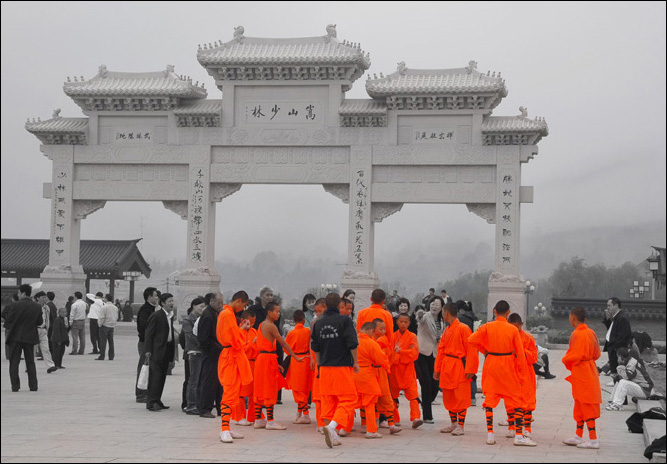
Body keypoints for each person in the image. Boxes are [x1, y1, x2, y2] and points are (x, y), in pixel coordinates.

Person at [466, 300, 533, 446]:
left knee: (490, 399)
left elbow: (471, 340)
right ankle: (519, 435)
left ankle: (490, 434)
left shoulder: (487, 327)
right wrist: (522, 373)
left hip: (492, 363)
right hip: (507, 364)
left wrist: (485, 350)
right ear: (508, 312)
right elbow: (520, 355)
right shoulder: (512, 330)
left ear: (495, 311)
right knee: (516, 399)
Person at [311, 292, 360, 448]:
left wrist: (319, 365)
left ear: (325, 305)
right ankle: (331, 427)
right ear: (340, 305)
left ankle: (332, 435)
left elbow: (315, 347)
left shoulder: (318, 323)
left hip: (324, 367)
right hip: (341, 366)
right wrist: (356, 362)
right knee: (349, 398)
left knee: (328, 401)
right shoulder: (345, 320)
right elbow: (352, 343)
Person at [254, 302, 305, 431]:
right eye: (276, 311)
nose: (278, 314)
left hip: (262, 359)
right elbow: (284, 343)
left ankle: (258, 419)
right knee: (270, 388)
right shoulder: (271, 326)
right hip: (267, 359)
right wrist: (295, 357)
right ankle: (270, 421)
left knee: (260, 388)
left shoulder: (261, 325)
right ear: (269, 312)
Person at [562, 307, 602, 450]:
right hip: (589, 369)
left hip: (582, 371)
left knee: (586, 404)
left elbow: (576, 355)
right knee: (580, 404)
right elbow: (597, 353)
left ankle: (593, 439)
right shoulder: (591, 333)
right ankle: (578, 435)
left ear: (573, 317)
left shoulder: (577, 334)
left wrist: (565, 359)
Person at [217, 291, 253, 443]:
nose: (243, 309)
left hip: (233, 356)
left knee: (233, 394)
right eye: (243, 305)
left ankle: (228, 427)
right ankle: (224, 429)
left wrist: (241, 330)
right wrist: (243, 330)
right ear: (239, 301)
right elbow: (234, 340)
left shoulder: (228, 314)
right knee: (229, 394)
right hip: (230, 357)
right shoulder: (227, 314)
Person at [434, 302, 472, 436]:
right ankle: (453, 423)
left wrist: (470, 369)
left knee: (460, 396)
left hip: (458, 365)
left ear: (446, 313)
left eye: (442, 312)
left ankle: (461, 425)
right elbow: (441, 350)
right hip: (446, 365)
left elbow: (471, 350)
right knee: (449, 395)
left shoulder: (463, 328)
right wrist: (437, 369)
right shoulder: (447, 330)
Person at [5, 284, 44, 391]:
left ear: (23, 293)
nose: (18, 295)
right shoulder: (37, 306)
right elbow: (40, 322)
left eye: (18, 293)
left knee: (14, 362)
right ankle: (33, 386)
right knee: (30, 362)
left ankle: (15, 386)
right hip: (30, 337)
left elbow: (9, 319)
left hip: (15, 337)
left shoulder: (15, 305)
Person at [354, 321, 388, 439]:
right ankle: (371, 430)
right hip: (367, 374)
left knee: (350, 402)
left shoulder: (352, 341)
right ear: (371, 331)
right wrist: (387, 368)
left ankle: (343, 428)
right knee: (370, 402)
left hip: (353, 373)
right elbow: (381, 359)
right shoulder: (371, 343)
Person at [507, 313, 538, 438]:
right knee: (510, 401)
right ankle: (511, 426)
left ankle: (528, 429)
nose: (515, 329)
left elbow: (534, 357)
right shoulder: (507, 337)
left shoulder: (528, 338)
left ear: (521, 324)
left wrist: (521, 352)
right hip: (511, 372)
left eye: (517, 327)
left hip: (526, 372)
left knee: (527, 400)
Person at [415, 296, 445, 424]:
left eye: (437, 304)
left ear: (442, 307)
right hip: (422, 353)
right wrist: (419, 315)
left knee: (435, 384)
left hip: (434, 354)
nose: (434, 306)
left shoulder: (442, 320)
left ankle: (424, 403)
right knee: (426, 383)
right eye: (432, 304)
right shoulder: (425, 316)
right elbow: (420, 320)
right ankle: (427, 416)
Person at [144, 292, 176, 412]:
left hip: (166, 349)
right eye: (170, 301)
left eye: (173, 301)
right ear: (163, 303)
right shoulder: (156, 316)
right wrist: (147, 350)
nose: (172, 304)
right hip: (156, 351)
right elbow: (149, 334)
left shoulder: (170, 316)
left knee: (162, 376)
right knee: (155, 377)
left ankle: (157, 400)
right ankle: (151, 402)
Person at [390, 313, 422, 429]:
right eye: (401, 321)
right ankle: (394, 418)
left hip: (408, 369)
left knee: (413, 394)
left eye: (406, 322)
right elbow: (390, 353)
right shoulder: (392, 336)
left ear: (409, 323)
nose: (403, 324)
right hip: (395, 369)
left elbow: (414, 353)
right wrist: (403, 352)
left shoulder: (412, 336)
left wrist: (400, 352)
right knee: (393, 395)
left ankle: (415, 418)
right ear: (397, 322)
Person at [197, 292, 224, 418]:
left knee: (218, 383)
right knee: (208, 382)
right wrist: (214, 349)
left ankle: (220, 408)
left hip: (218, 354)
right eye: (219, 303)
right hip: (210, 355)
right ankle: (205, 409)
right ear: (211, 301)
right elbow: (203, 339)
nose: (220, 305)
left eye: (221, 303)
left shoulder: (215, 313)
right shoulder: (207, 315)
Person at [372, 319, 401, 434]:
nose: (383, 331)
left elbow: (388, 358)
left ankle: (391, 424)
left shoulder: (384, 341)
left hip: (382, 372)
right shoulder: (371, 341)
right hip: (372, 372)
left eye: (385, 329)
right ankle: (371, 422)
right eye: (381, 329)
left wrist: (395, 352)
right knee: (372, 399)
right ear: (373, 329)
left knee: (387, 398)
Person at [286, 310, 314, 424]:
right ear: (303, 320)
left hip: (296, 360)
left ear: (294, 320)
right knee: (305, 388)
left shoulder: (291, 334)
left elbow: (286, 348)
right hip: (307, 359)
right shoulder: (308, 331)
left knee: (298, 389)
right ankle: (300, 412)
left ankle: (305, 414)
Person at [605, 346, 654, 411]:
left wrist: (619, 366)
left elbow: (627, 377)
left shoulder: (632, 363)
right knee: (620, 381)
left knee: (623, 382)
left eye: (617, 356)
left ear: (620, 356)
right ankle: (613, 402)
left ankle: (617, 404)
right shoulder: (629, 361)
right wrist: (617, 377)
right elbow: (628, 377)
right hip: (641, 387)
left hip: (645, 390)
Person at [182, 297, 206, 415]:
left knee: (199, 379)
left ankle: (197, 403)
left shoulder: (201, 319)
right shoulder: (187, 320)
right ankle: (190, 405)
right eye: (201, 306)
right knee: (193, 380)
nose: (203, 309)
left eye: (204, 307)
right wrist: (203, 343)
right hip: (193, 351)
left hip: (201, 352)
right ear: (193, 306)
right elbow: (190, 336)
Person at [135, 287, 158, 403]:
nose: (157, 297)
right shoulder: (145, 310)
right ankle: (140, 393)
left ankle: (146, 391)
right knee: (143, 367)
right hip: (145, 343)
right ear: (149, 297)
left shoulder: (152, 309)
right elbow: (143, 328)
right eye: (155, 296)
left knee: (148, 368)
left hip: (150, 343)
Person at [236, 308, 259, 426]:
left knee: (253, 393)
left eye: (254, 322)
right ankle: (240, 417)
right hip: (244, 363)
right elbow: (241, 349)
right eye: (250, 322)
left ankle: (253, 416)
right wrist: (252, 343)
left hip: (254, 364)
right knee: (241, 392)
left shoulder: (254, 331)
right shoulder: (239, 332)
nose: (252, 324)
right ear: (243, 320)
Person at [456, 300, 480, 405]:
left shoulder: (460, 320)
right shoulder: (474, 318)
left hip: (463, 349)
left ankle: (466, 395)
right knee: (472, 371)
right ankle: (472, 396)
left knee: (463, 372)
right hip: (474, 348)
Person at [602, 297, 631, 376]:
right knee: (614, 369)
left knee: (617, 369)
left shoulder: (622, 318)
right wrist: (608, 319)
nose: (607, 308)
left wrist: (614, 347)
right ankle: (615, 381)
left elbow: (623, 336)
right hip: (613, 347)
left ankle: (617, 382)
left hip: (617, 348)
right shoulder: (616, 317)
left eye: (609, 306)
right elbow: (611, 331)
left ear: (616, 305)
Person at [34, 291, 57, 373]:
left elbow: (48, 319)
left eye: (45, 297)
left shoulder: (47, 307)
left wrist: (47, 329)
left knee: (46, 349)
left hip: (43, 330)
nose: (45, 299)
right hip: (35, 330)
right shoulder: (34, 306)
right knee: (33, 349)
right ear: (38, 298)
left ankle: (50, 366)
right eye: (43, 297)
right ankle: (29, 366)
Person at [97, 293, 118, 361]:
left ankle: (102, 355)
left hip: (105, 326)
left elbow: (102, 317)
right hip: (111, 326)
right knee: (111, 341)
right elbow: (116, 317)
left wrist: (100, 324)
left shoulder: (104, 307)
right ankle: (111, 356)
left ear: (106, 298)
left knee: (103, 342)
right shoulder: (115, 307)